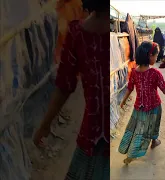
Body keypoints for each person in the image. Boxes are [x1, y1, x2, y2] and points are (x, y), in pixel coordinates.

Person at [33, 0, 109, 179]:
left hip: (90, 137)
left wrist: (45, 125)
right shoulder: (81, 33)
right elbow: (65, 85)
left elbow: (64, 86)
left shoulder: (77, 33)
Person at [118, 41, 165, 164]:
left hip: (139, 107)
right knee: (150, 127)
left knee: (137, 128)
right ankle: (133, 154)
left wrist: (123, 101)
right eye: (156, 55)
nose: (157, 58)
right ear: (149, 56)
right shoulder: (155, 73)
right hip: (154, 106)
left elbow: (130, 88)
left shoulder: (134, 72)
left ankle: (150, 143)